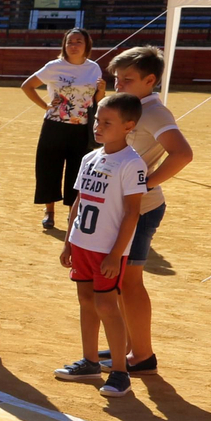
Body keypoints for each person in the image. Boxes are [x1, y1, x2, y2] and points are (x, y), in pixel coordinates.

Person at [104, 47, 193, 374]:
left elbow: (182, 153)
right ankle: (128, 346)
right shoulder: (136, 107)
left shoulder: (153, 112)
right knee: (122, 282)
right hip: (127, 207)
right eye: (116, 78)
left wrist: (147, 183)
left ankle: (142, 355)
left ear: (150, 80)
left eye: (127, 79)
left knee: (130, 282)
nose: (119, 85)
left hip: (140, 209)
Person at [54, 92, 148, 398]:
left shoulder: (132, 164)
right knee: (86, 301)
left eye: (107, 122)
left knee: (107, 304)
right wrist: (68, 241)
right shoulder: (89, 158)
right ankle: (90, 361)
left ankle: (120, 371)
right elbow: (78, 202)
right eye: (97, 119)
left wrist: (115, 254)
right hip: (82, 244)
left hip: (107, 250)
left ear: (128, 126)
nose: (98, 126)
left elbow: (132, 212)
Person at [22, 28, 104, 230]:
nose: (73, 46)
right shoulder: (54, 66)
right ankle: (49, 211)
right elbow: (27, 86)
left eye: (78, 41)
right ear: (64, 45)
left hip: (82, 128)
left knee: (78, 171)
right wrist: (45, 106)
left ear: (87, 45)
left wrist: (101, 91)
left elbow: (96, 101)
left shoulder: (94, 68)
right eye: (70, 42)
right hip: (54, 126)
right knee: (49, 168)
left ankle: (72, 212)